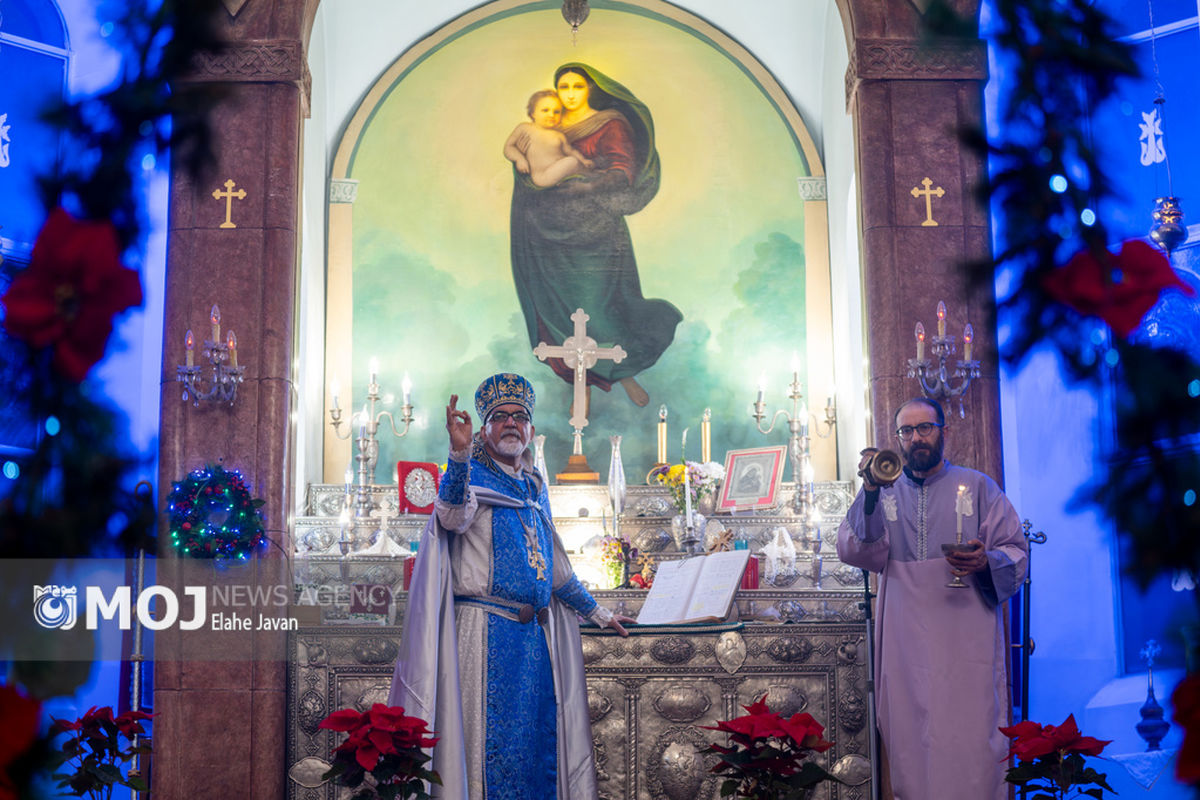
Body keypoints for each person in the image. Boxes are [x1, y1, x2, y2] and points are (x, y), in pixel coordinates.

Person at [388, 372, 632, 799]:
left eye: (520, 416)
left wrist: (600, 613)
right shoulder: (472, 480)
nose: (511, 423)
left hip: (532, 645)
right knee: (481, 752)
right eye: (500, 417)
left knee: (534, 753)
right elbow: (449, 516)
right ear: (484, 430)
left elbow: (556, 571)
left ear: (531, 430)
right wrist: (459, 456)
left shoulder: (534, 487)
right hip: (482, 637)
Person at [836, 397, 1027, 800]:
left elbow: (1016, 552)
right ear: (898, 439)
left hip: (965, 639)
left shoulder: (979, 488)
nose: (917, 438)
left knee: (972, 736)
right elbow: (856, 550)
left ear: (943, 432)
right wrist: (870, 491)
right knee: (911, 735)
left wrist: (984, 560)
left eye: (925, 428)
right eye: (907, 431)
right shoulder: (883, 493)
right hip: (905, 639)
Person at [509, 62, 682, 410]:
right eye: (563, 88)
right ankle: (581, 383)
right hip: (547, 233)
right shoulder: (546, 127)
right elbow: (524, 165)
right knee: (558, 309)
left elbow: (622, 170)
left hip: (596, 231)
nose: (569, 94)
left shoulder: (609, 122)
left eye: (577, 86)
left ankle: (624, 372)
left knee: (601, 306)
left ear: (591, 88)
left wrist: (583, 187)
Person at [503, 89, 594, 188]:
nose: (551, 115)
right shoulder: (525, 128)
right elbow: (509, 147)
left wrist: (583, 160)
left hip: (560, 172)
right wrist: (519, 159)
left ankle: (588, 174)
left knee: (573, 161)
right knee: (572, 161)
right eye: (545, 110)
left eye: (556, 112)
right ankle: (590, 175)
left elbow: (570, 151)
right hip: (543, 176)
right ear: (533, 113)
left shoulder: (559, 135)